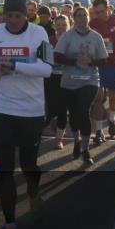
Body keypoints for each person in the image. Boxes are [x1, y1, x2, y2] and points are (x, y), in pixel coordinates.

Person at [0, 0, 53, 229]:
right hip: (4, 108)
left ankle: (33, 192)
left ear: (26, 14)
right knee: (5, 169)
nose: (12, 20)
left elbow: (46, 69)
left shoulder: (39, 34)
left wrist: (15, 66)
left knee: (29, 164)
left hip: (31, 110)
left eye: (17, 16)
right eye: (8, 15)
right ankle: (10, 225)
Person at [54, 6, 108, 165]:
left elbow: (104, 60)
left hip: (90, 80)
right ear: (73, 18)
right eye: (79, 16)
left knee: (83, 110)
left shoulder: (96, 37)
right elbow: (57, 56)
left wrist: (90, 61)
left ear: (88, 18)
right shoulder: (67, 36)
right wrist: (74, 62)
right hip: (69, 81)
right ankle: (77, 140)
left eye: (85, 15)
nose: (83, 18)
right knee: (74, 113)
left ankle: (85, 149)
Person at [89, 0, 115, 142]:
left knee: (112, 97)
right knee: (98, 99)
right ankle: (99, 131)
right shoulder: (92, 24)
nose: (98, 15)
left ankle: (112, 119)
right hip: (98, 65)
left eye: (101, 11)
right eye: (96, 12)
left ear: (108, 8)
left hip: (113, 64)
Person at [45, 14, 71, 149]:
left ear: (68, 25)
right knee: (51, 107)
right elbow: (46, 60)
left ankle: (59, 139)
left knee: (63, 109)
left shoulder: (72, 40)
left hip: (67, 77)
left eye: (64, 25)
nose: (61, 28)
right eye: (58, 25)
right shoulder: (49, 41)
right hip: (51, 77)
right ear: (54, 26)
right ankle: (53, 118)